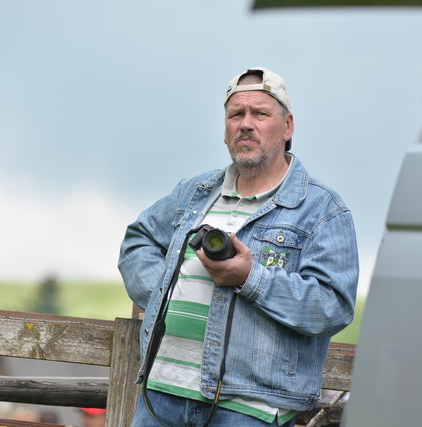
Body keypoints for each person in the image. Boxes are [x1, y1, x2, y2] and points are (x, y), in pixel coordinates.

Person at [118, 67, 359, 427]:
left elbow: (332, 307)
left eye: (260, 113)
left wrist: (250, 278)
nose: (246, 124)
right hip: (161, 394)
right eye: (236, 114)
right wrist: (165, 291)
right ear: (225, 129)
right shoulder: (195, 192)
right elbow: (138, 241)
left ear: (288, 126)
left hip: (250, 408)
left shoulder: (323, 209)